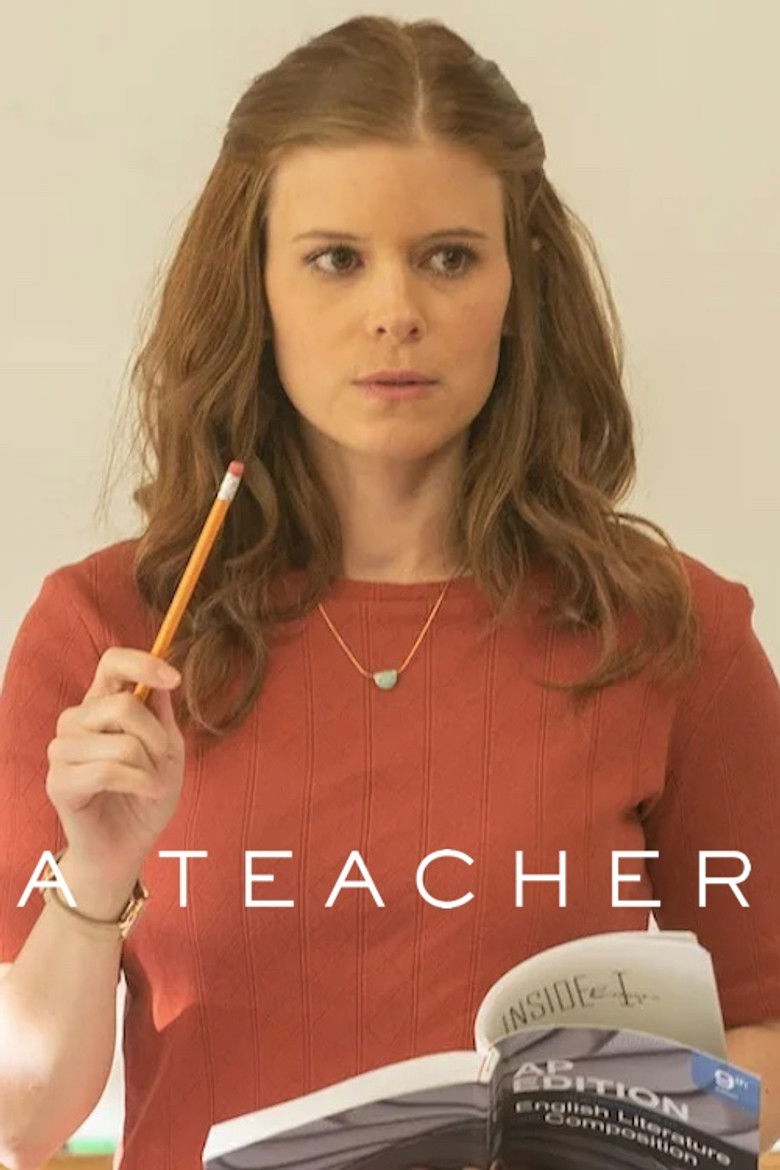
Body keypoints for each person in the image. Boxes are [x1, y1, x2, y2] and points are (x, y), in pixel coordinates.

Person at [0, 12, 778, 1170]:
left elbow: (769, 1024)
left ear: (519, 286)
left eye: (449, 257)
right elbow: (23, 1118)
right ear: (256, 286)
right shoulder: (105, 634)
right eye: (336, 258)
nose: (395, 310)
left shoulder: (672, 633)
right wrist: (98, 874)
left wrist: (621, 1124)